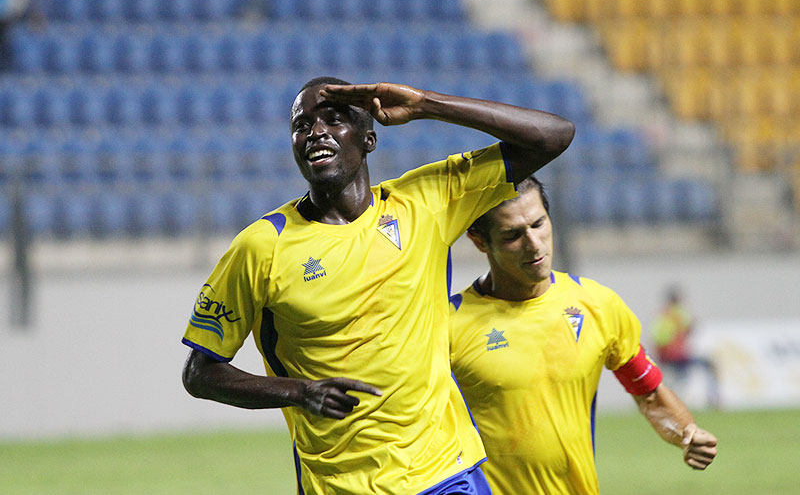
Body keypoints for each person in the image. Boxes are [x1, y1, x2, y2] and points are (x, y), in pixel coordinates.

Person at [181, 78, 575, 494]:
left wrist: (426, 104)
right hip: (340, 484)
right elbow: (200, 373)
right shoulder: (261, 247)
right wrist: (299, 392)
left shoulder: (426, 202)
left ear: (369, 138)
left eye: (333, 120)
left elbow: (553, 137)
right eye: (301, 125)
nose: (315, 132)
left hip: (447, 471)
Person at [448, 176, 718, 495]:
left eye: (538, 224)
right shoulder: (446, 325)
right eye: (512, 235)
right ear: (479, 241)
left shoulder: (598, 305)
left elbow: (649, 393)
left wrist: (686, 431)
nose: (534, 243)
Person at [653, 286, 720, 408]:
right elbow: (691, 326)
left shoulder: (661, 315)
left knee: (676, 382)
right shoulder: (680, 313)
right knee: (708, 365)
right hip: (679, 356)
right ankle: (713, 398)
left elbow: (657, 338)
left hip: (666, 357)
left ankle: (666, 403)